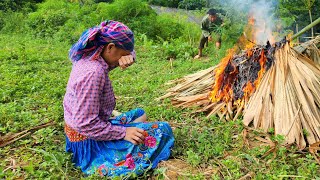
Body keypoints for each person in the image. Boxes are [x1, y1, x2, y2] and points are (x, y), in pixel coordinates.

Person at [63, 20, 175, 177]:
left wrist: (129, 56)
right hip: (88, 141)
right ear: (110, 47)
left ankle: (124, 134)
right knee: (163, 130)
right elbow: (85, 124)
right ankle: (109, 154)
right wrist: (123, 133)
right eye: (123, 55)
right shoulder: (93, 74)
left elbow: (125, 52)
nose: (125, 58)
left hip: (95, 125)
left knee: (140, 114)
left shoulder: (91, 53)